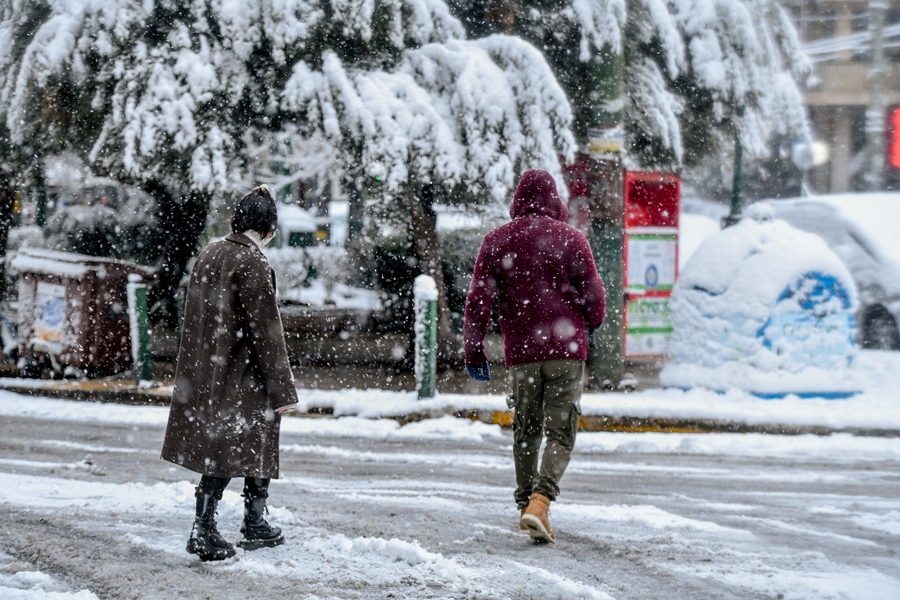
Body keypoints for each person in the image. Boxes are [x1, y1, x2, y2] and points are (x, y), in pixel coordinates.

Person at [463, 169, 606, 544]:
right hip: (566, 351)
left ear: (518, 199)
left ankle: (526, 503)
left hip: (522, 354)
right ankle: (540, 504)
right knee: (561, 430)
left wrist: (474, 348)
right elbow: (595, 299)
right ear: (554, 199)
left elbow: (478, 300)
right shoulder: (572, 240)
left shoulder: (497, 241)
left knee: (526, 431)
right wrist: (590, 322)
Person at [161, 185, 297, 561]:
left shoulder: (211, 253)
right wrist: (283, 390)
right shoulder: (253, 262)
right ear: (269, 228)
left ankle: (244, 523)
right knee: (237, 445)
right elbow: (267, 332)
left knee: (232, 445)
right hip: (243, 373)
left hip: (210, 368)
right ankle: (211, 530)